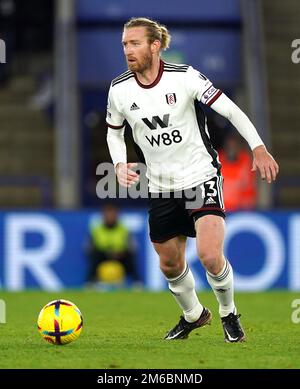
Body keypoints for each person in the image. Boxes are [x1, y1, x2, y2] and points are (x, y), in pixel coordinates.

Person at [106, 17, 279, 342]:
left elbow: (230, 110)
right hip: (160, 186)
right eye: (125, 44)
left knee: (210, 256)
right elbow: (114, 132)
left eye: (135, 43)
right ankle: (194, 315)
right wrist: (118, 163)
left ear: (155, 45)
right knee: (170, 264)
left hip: (200, 176)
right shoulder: (119, 89)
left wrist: (258, 147)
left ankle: (229, 314)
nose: (127, 50)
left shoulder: (185, 77)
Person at [85, 203, 140, 286]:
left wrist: (122, 251)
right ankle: (90, 282)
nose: (110, 217)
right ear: (104, 216)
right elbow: (88, 247)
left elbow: (133, 246)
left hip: (120, 255)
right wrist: (106, 252)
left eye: (113, 214)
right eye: (108, 214)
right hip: (103, 255)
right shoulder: (97, 229)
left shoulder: (123, 229)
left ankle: (136, 282)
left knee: (129, 257)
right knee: (95, 256)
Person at [219, 132, 257, 211]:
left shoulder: (246, 162)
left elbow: (249, 190)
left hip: (239, 210)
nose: (231, 150)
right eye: (229, 147)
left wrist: (246, 210)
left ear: (239, 147)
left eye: (234, 146)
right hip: (219, 209)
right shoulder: (217, 160)